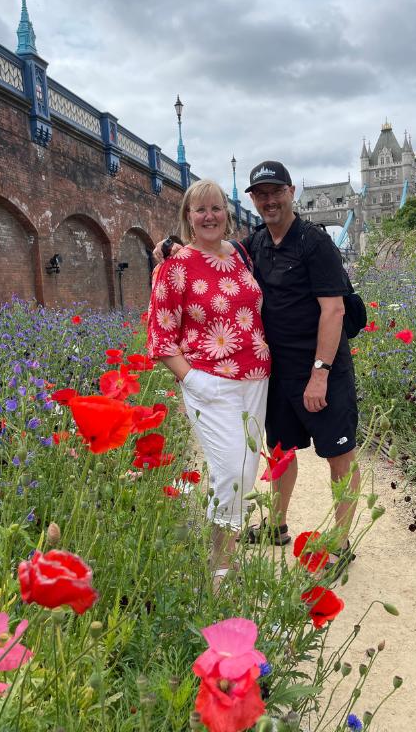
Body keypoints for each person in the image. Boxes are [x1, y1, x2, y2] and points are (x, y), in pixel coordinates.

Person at [154, 161, 360, 574]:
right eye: (260, 194)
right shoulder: (255, 245)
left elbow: (335, 310)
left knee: (339, 454)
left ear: (290, 192)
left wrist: (320, 372)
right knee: (281, 451)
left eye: (276, 192)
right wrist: (173, 250)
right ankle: (277, 524)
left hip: (321, 367)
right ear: (250, 200)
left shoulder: (315, 243)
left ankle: (340, 542)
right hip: (275, 372)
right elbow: (206, 261)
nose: (269, 200)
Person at [146, 179, 270, 588]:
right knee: (231, 471)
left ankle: (223, 557)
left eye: (216, 208)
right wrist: (193, 379)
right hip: (210, 383)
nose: (209, 216)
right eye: (200, 210)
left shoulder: (239, 256)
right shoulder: (174, 267)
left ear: (227, 215)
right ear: (188, 217)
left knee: (245, 472)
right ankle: (220, 568)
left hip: (254, 380)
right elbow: (161, 335)